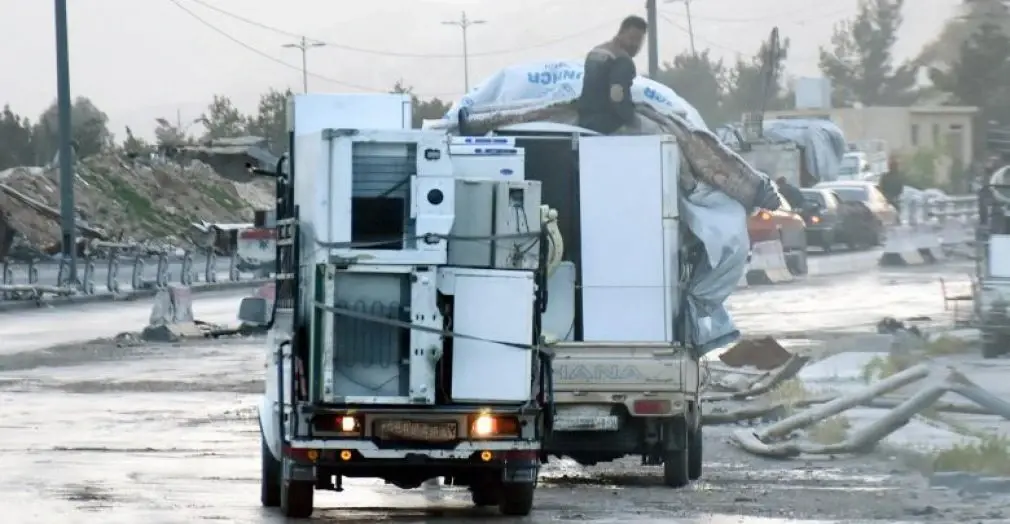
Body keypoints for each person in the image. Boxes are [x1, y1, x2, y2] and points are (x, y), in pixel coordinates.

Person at [577, 16, 648, 134]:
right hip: (608, 124)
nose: (635, 44)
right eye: (632, 38)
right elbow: (617, 95)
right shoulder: (622, 59)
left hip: (584, 120)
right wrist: (630, 119)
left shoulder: (595, 52)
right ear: (621, 33)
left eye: (639, 41)